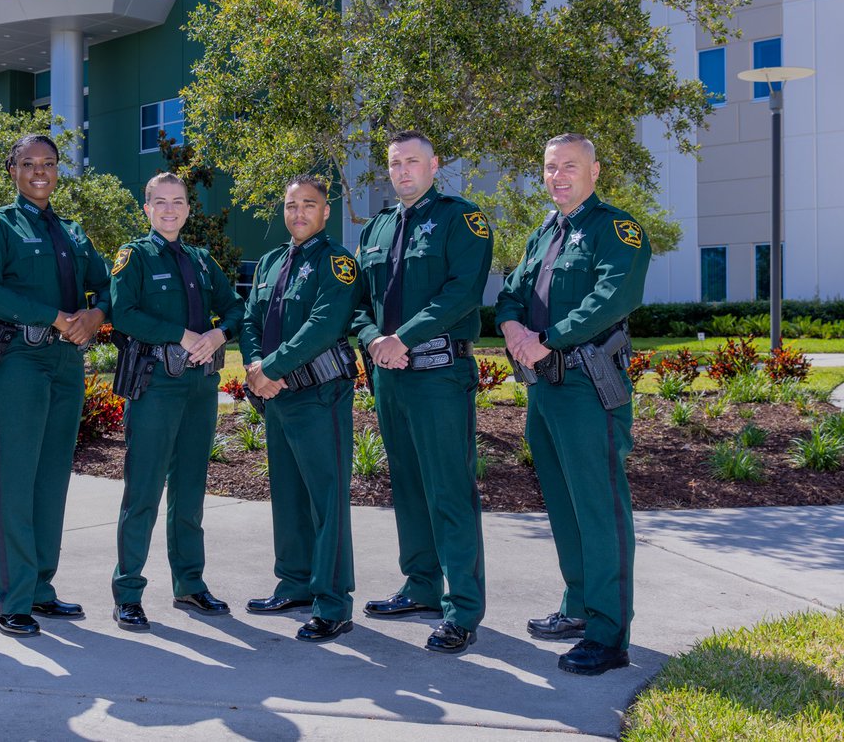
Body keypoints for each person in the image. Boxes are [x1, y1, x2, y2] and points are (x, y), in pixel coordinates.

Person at [496, 132, 650, 676]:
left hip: (587, 387)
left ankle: (610, 635)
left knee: (599, 509)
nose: (557, 176)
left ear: (595, 170)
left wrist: (548, 337)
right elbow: (511, 292)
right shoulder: (543, 234)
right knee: (561, 503)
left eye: (569, 166)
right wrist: (513, 326)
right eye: (548, 167)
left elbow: (614, 296)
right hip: (546, 389)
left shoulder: (616, 229)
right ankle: (580, 606)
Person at [353, 130, 493, 654]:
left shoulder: (461, 218)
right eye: (394, 163)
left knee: (449, 491)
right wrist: (374, 340)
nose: (403, 170)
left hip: (438, 375)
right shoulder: (378, 228)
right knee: (408, 486)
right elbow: (359, 303)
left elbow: (462, 292)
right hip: (389, 375)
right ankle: (420, 587)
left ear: (435, 165)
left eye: (413, 161)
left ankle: (463, 610)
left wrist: (401, 338)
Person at [0, 134, 110, 637]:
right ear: (12, 170)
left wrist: (95, 315)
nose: (40, 172)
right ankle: (10, 596)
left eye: (48, 163)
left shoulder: (71, 231)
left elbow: (109, 281)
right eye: (29, 164)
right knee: (16, 476)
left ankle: (40, 588)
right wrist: (54, 316)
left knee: (52, 477)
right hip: (16, 360)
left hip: (65, 362)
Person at [108, 172, 244, 631]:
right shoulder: (134, 256)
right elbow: (122, 313)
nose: (170, 209)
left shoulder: (203, 261)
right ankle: (127, 591)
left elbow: (235, 308)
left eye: (178, 201)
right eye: (160, 202)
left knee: (190, 491)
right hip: (155, 387)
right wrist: (180, 334)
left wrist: (218, 332)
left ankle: (190, 584)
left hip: (200, 388)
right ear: (146, 209)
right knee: (143, 490)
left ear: (188, 208)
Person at [240, 176, 361, 643]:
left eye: (308, 205)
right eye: (291, 206)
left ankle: (333, 603)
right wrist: (256, 366)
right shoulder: (271, 262)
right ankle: (294, 583)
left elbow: (324, 324)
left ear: (325, 211)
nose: (298, 213)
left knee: (326, 500)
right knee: (288, 494)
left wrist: (271, 366)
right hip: (278, 397)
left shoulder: (338, 263)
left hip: (318, 395)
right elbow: (251, 318)